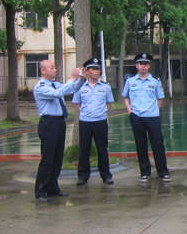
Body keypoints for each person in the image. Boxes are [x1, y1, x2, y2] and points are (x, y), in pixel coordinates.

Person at [33, 60, 85, 203]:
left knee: (57, 158)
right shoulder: (40, 87)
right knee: (48, 158)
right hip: (48, 123)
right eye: (52, 67)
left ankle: (52, 188)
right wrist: (72, 78)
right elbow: (57, 94)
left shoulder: (55, 84)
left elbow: (71, 89)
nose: (55, 70)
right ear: (43, 70)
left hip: (59, 122)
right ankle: (41, 190)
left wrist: (81, 79)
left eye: (55, 67)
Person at [122, 53, 171, 183]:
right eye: (141, 64)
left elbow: (160, 98)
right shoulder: (130, 81)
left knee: (158, 144)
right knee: (141, 144)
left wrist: (154, 110)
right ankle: (145, 173)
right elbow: (125, 97)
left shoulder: (155, 81)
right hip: (137, 116)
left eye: (145, 64)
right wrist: (130, 111)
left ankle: (163, 172)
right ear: (136, 65)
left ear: (149, 66)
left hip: (152, 117)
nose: (143, 66)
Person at [72, 58, 114, 186]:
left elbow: (109, 103)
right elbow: (77, 104)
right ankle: (83, 176)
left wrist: (101, 113)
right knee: (84, 149)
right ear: (87, 71)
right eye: (93, 69)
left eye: (98, 69)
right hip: (85, 122)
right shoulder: (80, 86)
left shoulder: (105, 87)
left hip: (100, 121)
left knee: (102, 149)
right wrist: (85, 114)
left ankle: (106, 175)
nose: (96, 71)